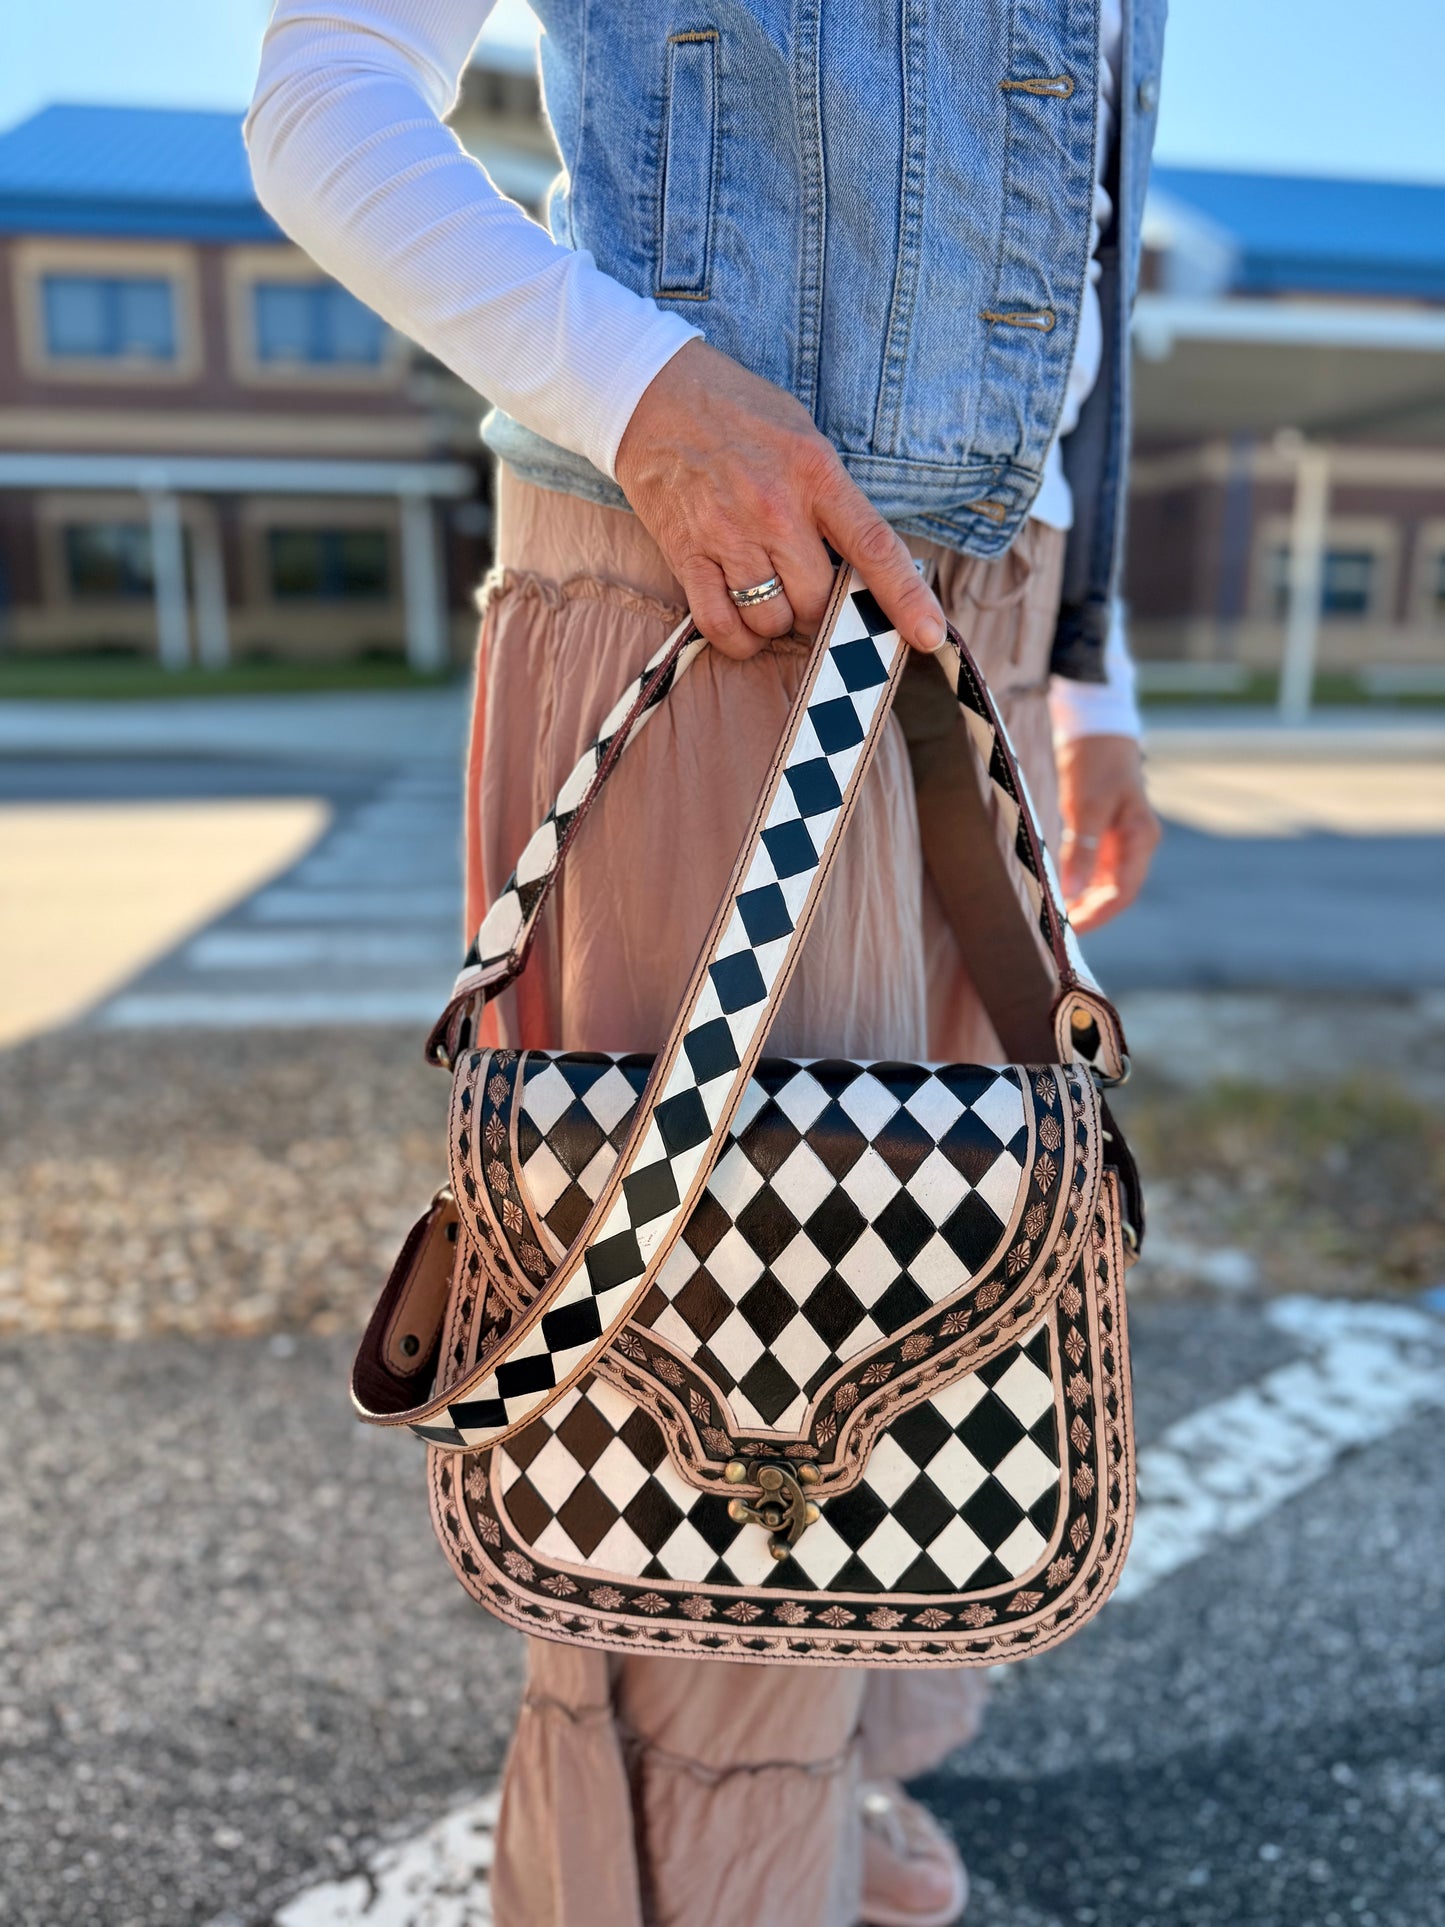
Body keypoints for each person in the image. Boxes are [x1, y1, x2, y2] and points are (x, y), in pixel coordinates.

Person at [247, 1, 1165, 1919]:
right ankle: (694, 1884)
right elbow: (322, 95)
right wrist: (650, 395)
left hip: (972, 622)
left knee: (917, 1277)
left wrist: (1084, 663)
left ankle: (811, 1809)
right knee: (720, 1337)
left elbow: (1058, 249)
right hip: (716, 569)